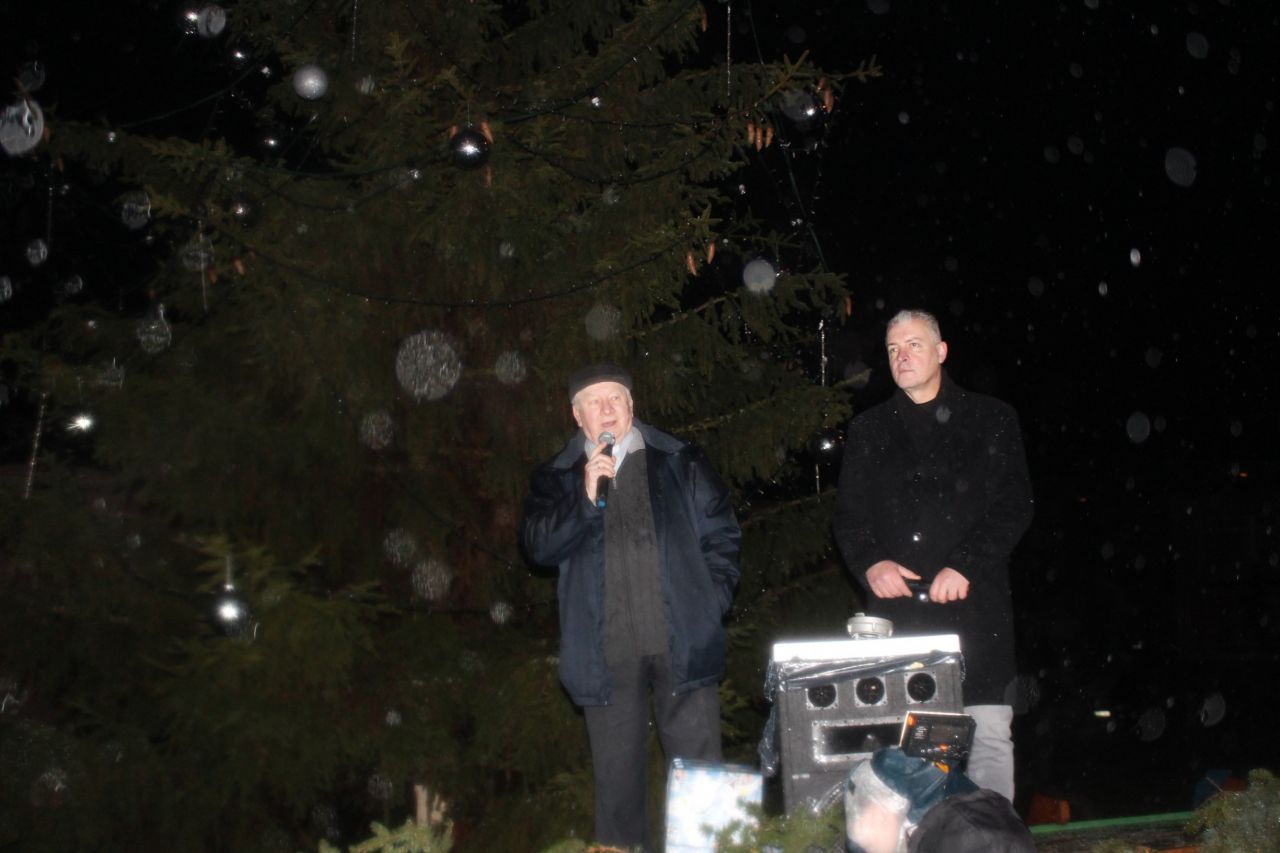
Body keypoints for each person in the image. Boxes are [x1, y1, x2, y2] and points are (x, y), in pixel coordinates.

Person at [519, 363, 742, 850]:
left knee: (703, 785)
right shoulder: (556, 477)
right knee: (617, 796)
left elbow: (722, 535)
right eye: (593, 402)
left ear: (631, 406)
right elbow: (538, 547)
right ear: (576, 415)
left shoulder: (679, 460)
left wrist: (708, 604)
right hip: (606, 655)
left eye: (614, 399)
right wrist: (583, 497)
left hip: (682, 643)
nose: (606, 410)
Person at [833, 310, 1033, 802]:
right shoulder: (869, 429)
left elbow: (1014, 506)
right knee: (913, 750)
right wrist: (872, 563)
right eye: (893, 349)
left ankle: (990, 835)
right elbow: (848, 517)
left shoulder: (991, 419)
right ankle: (923, 835)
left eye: (914, 345)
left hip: (976, 611)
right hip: (902, 617)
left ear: (941, 351)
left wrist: (965, 564)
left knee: (988, 737)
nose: (902, 357)